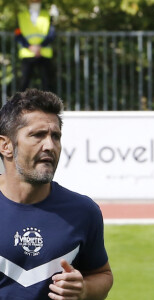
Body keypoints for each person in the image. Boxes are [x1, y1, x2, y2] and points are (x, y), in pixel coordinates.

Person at [0, 89, 113, 299]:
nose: (50, 146)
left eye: (56, 136)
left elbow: (102, 274)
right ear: (5, 145)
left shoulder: (83, 211)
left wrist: (84, 289)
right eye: (38, 135)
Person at [15, 0, 55, 91]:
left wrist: (40, 46)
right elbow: (17, 34)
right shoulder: (21, 16)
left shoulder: (47, 15)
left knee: (47, 84)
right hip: (28, 53)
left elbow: (52, 34)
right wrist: (30, 46)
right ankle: (21, 105)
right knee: (24, 83)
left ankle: (48, 105)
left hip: (44, 53)